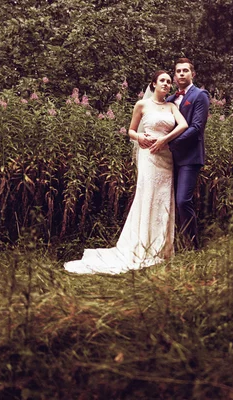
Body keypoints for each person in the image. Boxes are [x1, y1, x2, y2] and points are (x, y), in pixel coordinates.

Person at [64, 70, 188, 274]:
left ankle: (161, 248)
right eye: (162, 81)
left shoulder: (172, 106)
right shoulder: (142, 105)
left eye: (168, 81)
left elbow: (183, 125)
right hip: (148, 155)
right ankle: (141, 245)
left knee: (164, 198)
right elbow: (131, 130)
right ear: (153, 84)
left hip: (166, 156)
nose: (166, 84)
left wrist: (165, 140)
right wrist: (140, 138)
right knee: (147, 196)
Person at [166, 58, 210, 250]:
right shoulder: (169, 99)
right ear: (175, 76)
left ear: (193, 74)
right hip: (167, 159)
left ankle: (192, 245)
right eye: (178, 71)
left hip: (190, 158)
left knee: (183, 200)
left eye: (185, 70)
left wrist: (170, 143)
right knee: (170, 201)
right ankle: (171, 243)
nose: (181, 74)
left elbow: (197, 128)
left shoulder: (200, 95)